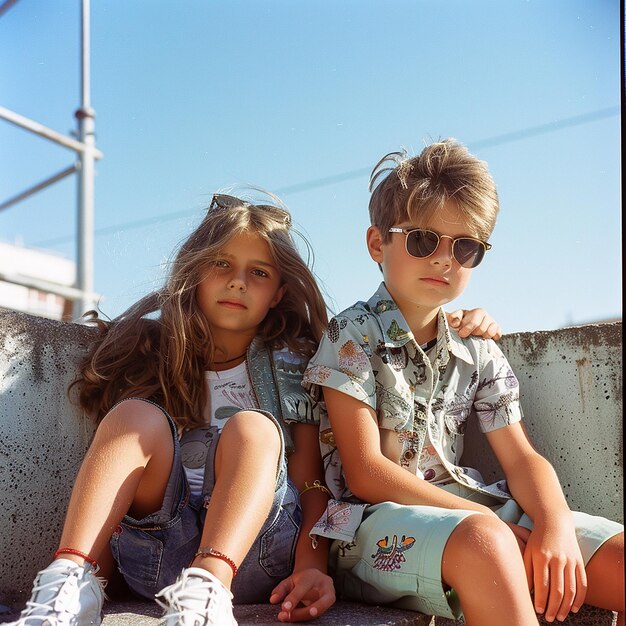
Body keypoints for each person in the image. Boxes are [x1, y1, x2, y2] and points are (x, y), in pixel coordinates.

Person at [9, 189, 501, 626]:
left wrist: (311, 565)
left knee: (253, 429)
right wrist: (104, 575)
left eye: (258, 272)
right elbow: (117, 477)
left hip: (255, 557)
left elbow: (310, 478)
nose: (238, 282)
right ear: (194, 272)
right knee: (132, 417)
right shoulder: (150, 353)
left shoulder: (297, 362)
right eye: (221, 264)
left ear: (279, 293)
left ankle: (206, 591)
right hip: (154, 554)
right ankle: (69, 582)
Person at [303, 140, 625, 626]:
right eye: (422, 240)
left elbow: (521, 457)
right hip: (369, 530)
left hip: (476, 511)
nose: (443, 259)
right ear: (377, 244)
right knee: (488, 543)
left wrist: (555, 525)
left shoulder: (477, 346)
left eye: (465, 246)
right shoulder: (351, 334)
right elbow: (367, 473)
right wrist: (487, 522)